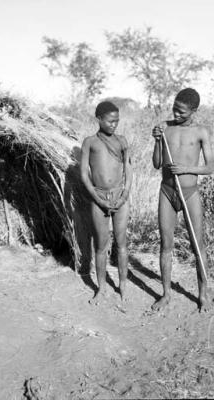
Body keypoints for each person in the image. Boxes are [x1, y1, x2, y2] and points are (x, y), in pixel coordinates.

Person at [151, 88, 214, 313]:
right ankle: (166, 294)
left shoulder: (201, 132)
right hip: (167, 193)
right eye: (174, 109)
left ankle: (203, 295)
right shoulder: (165, 128)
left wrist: (186, 168)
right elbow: (157, 163)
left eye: (181, 112)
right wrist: (158, 141)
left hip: (190, 193)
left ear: (194, 111)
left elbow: (210, 167)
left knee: (198, 246)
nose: (176, 114)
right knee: (165, 245)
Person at [80, 101, 133, 305]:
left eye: (117, 121)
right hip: (99, 197)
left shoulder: (121, 141)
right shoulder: (90, 142)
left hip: (120, 196)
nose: (114, 125)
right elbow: (84, 174)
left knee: (121, 244)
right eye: (110, 121)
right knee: (101, 246)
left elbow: (128, 169)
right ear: (99, 119)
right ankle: (101, 289)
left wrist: (125, 194)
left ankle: (123, 287)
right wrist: (96, 196)